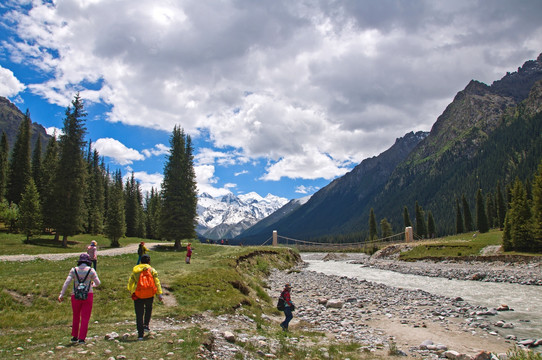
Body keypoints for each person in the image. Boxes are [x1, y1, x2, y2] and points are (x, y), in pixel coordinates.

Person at [58, 253, 101, 344]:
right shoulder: (91, 270)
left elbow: (67, 282)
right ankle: (82, 338)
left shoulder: (74, 270)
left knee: (76, 315)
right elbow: (98, 282)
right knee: (85, 317)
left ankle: (74, 336)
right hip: (88, 295)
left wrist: (62, 294)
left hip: (75, 295)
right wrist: (93, 285)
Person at [127, 254, 163, 340]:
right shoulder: (152, 270)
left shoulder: (136, 270)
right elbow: (157, 282)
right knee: (148, 308)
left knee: (139, 314)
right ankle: (146, 325)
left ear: (140, 261)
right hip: (149, 294)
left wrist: (131, 291)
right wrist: (159, 293)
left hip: (138, 294)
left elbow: (130, 282)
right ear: (149, 262)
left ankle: (140, 334)